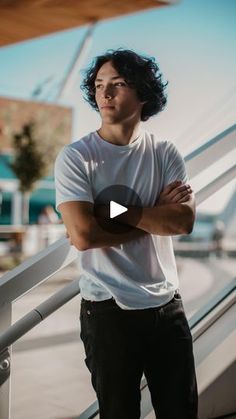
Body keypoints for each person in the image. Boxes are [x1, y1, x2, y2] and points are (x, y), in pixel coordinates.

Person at [54, 49, 198, 419]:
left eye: (117, 84)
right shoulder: (76, 157)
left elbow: (181, 223)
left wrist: (115, 212)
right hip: (107, 312)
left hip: (167, 308)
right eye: (100, 85)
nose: (105, 94)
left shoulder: (165, 153)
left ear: (143, 94)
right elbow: (84, 235)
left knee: (181, 411)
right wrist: (153, 215)